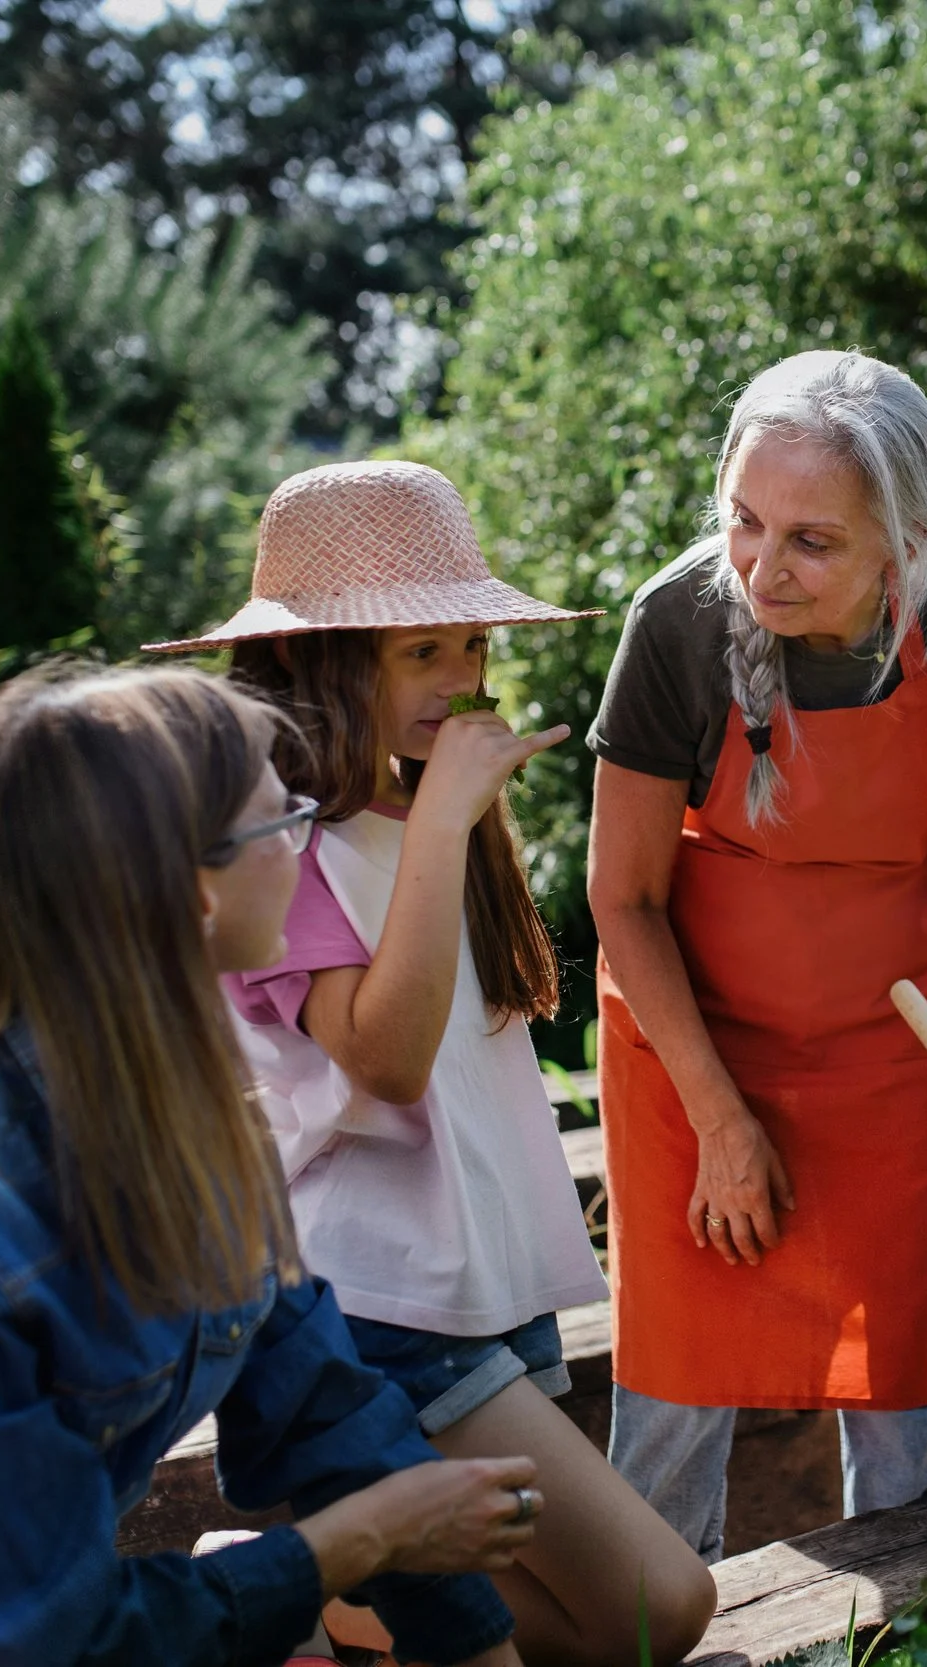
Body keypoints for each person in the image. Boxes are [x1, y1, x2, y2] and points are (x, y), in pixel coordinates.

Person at [0, 665, 545, 1667]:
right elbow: (24, 1642)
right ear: (187, 888)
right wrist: (352, 1544)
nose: (302, 846)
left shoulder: (193, 1116)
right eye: (279, 822)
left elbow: (325, 1406)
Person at [146, 462, 717, 1661]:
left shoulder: (415, 813)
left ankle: (321, 1595)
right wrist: (450, 818)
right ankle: (301, 1588)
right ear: (313, 659)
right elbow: (388, 1064)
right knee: (661, 1605)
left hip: (483, 1281)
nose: (463, 679)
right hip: (380, 1303)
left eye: (471, 643)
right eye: (424, 650)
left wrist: (445, 818)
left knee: (584, 1629)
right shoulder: (281, 847)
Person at [585, 349, 927, 1561]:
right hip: (692, 1040)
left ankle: (904, 1631)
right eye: (744, 521)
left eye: (811, 540)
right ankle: (652, 1634)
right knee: (678, 1396)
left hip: (891, 1044)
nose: (762, 567)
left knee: (898, 1381)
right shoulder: (675, 624)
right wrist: (721, 1120)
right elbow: (622, 898)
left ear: (902, 537)